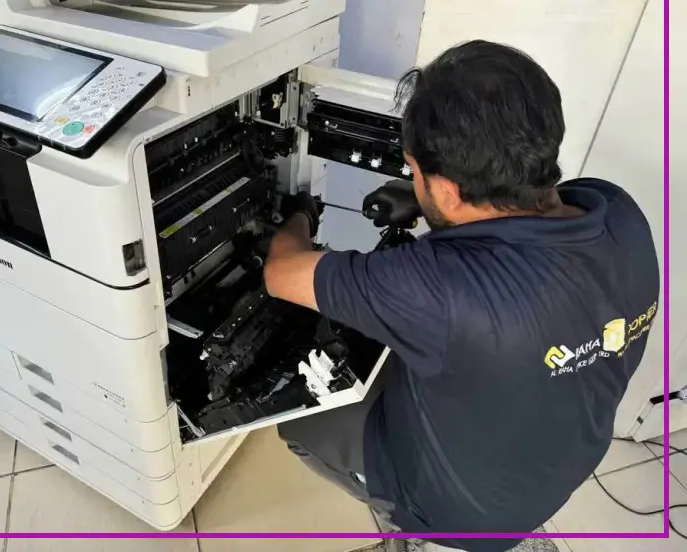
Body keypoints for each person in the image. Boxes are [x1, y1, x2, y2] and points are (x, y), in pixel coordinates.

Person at [263, 40, 660, 552]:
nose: (413, 179)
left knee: (297, 419)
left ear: (449, 189)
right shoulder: (618, 210)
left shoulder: (432, 287)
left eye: (416, 172)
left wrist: (300, 212)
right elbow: (523, 236)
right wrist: (431, 204)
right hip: (568, 463)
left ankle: (411, 526)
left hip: (462, 513)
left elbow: (281, 272)